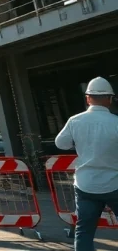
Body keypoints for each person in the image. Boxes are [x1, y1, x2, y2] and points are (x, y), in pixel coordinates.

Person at [55, 77, 118, 251]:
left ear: (88, 98)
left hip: (85, 185)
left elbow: (61, 143)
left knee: (84, 231)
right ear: (110, 99)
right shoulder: (116, 123)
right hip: (114, 183)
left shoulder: (75, 121)